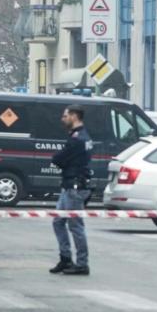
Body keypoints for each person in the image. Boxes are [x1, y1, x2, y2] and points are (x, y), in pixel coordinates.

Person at [50, 104, 93, 275]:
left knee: (75, 226)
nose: (63, 119)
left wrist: (58, 159)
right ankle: (66, 258)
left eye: (65, 116)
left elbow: (58, 159)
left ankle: (82, 264)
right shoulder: (84, 136)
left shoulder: (77, 139)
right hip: (70, 185)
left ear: (74, 116)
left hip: (74, 187)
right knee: (58, 221)